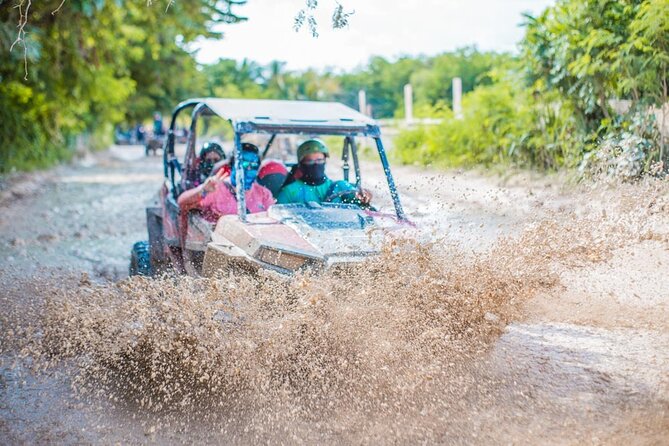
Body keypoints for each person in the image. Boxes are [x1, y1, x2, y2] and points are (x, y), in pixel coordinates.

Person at [178, 143, 274, 220]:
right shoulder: (216, 189)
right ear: (232, 166)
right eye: (243, 164)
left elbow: (272, 223)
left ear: (258, 170)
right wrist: (202, 190)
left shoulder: (264, 194)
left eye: (253, 165)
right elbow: (182, 203)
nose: (247, 169)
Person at [276, 139, 372, 206]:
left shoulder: (340, 187)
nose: (315, 164)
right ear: (301, 164)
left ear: (325, 160)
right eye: (310, 161)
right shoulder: (289, 191)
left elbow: (355, 197)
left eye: (319, 160)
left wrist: (363, 196)